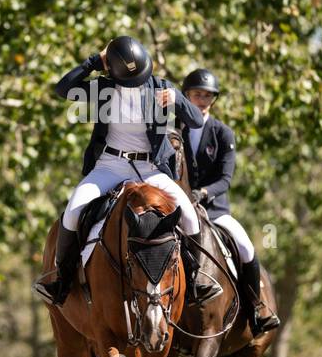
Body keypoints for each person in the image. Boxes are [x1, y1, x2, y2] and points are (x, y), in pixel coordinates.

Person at [34, 36, 220, 307]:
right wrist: (93, 62)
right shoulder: (105, 88)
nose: (137, 84)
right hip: (111, 164)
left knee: (190, 217)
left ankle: (195, 281)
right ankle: (60, 280)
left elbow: (194, 120)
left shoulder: (160, 88)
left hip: (150, 167)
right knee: (74, 208)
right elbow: (63, 89)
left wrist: (179, 99)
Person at [180, 68, 280, 336]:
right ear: (186, 96)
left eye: (207, 96)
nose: (202, 100)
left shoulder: (223, 134)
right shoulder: (174, 133)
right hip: (179, 209)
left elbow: (225, 179)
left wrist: (201, 194)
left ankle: (257, 309)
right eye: (197, 94)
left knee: (246, 248)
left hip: (213, 210)